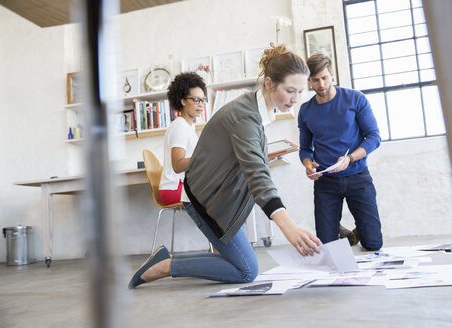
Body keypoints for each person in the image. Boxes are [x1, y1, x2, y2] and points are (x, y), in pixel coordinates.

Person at [129, 43, 321, 289]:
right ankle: (167, 265)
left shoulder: (258, 110)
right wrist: (289, 227)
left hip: (219, 196)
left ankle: (167, 261)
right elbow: (258, 175)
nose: (295, 99)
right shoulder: (246, 116)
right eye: (290, 90)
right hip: (204, 199)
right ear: (270, 83)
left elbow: (250, 162)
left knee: (243, 266)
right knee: (246, 271)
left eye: (300, 92)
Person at [298, 53, 383, 251]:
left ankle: (359, 228)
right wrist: (308, 165)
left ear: (332, 74)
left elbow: (374, 137)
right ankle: (338, 230)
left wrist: (350, 158)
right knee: (329, 249)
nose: (321, 84)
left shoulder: (355, 99)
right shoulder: (305, 110)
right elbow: (305, 149)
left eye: (324, 78)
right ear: (309, 81)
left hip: (358, 177)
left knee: (373, 244)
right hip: (326, 183)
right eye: (315, 80)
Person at [158, 72, 207, 205]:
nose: (201, 104)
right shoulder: (179, 126)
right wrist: (205, 158)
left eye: (203, 100)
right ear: (183, 101)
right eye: (196, 100)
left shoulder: (189, 127)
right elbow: (178, 165)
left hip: (182, 186)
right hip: (173, 189)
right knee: (220, 193)